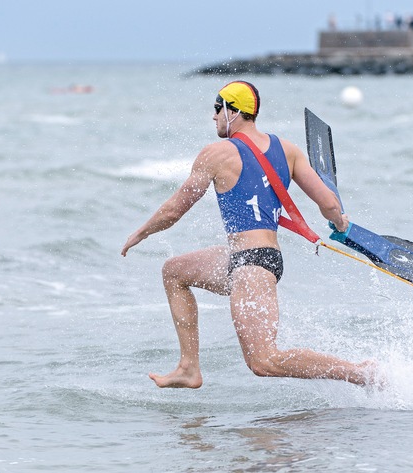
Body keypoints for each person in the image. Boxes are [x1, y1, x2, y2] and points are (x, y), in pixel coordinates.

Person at [121, 81, 380, 389]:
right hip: (247, 260)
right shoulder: (288, 150)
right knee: (174, 272)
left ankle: (361, 373)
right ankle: (188, 368)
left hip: (253, 266)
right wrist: (339, 223)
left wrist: (141, 232)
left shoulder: (216, 154)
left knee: (264, 361)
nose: (214, 117)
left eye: (218, 109)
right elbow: (329, 204)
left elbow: (174, 211)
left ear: (233, 112)